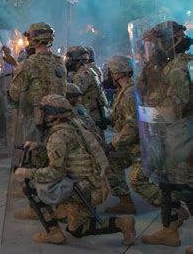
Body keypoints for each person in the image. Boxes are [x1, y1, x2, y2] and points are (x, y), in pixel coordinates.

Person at [14, 94, 135, 246]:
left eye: (44, 111)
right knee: (77, 230)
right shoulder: (73, 125)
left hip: (83, 189)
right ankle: (121, 223)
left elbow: (55, 172)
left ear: (53, 115)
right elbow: (69, 152)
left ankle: (53, 233)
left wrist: (26, 173)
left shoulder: (57, 135)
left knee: (30, 185)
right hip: (93, 184)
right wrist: (40, 146)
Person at [139, 20, 193, 247]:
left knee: (186, 187)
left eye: (159, 42)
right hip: (166, 136)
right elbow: (143, 89)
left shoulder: (180, 68)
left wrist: (148, 115)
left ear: (174, 41)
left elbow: (174, 108)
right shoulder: (164, 66)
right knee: (167, 185)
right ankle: (169, 230)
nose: (155, 47)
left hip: (182, 135)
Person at [104, 55, 164, 214]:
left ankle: (171, 208)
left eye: (110, 72)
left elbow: (132, 126)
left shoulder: (130, 93)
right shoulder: (123, 91)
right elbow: (122, 116)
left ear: (118, 73)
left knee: (137, 179)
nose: (108, 75)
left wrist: (114, 144)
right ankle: (125, 202)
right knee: (110, 162)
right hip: (133, 145)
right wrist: (108, 120)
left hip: (142, 147)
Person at [9, 22, 67, 143]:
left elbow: (14, 95)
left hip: (35, 123)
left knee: (33, 157)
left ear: (32, 39)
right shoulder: (60, 63)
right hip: (60, 121)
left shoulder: (27, 65)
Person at [65, 45, 109, 131]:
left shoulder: (84, 74)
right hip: (91, 113)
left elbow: (73, 92)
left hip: (92, 115)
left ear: (77, 61)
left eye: (71, 60)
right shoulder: (85, 71)